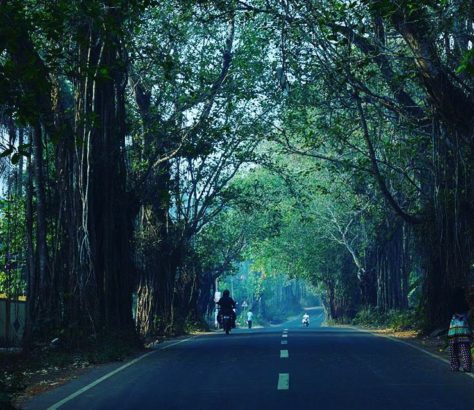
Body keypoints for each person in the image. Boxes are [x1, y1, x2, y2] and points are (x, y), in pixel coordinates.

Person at [448, 288, 472, 372]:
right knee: (465, 347)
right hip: (463, 328)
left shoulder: (452, 303)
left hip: (453, 329)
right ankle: (467, 366)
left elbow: (450, 313)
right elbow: (469, 312)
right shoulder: (465, 303)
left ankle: (455, 366)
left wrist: (457, 316)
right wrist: (464, 317)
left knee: (453, 348)